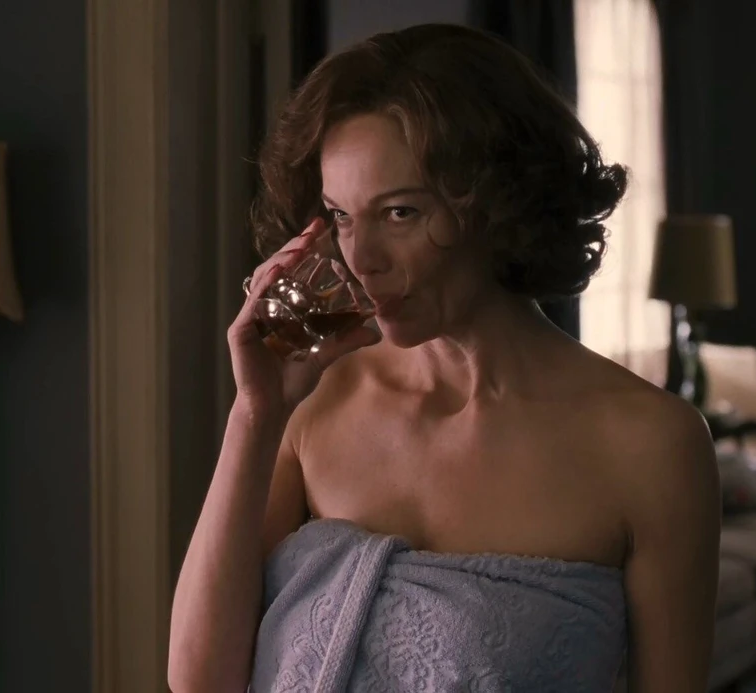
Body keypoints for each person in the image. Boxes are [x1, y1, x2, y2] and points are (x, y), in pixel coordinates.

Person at [168, 23, 719, 693]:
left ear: (498, 204)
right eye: (341, 216)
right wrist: (255, 414)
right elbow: (200, 680)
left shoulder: (651, 443)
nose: (361, 258)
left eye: (400, 213)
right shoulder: (313, 400)